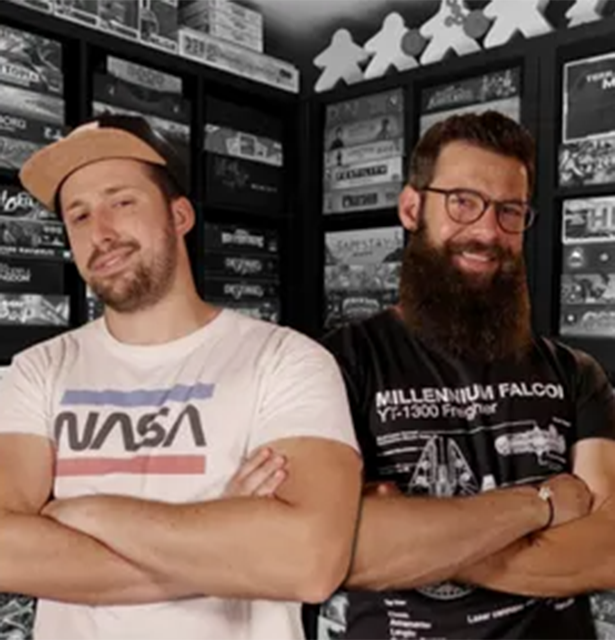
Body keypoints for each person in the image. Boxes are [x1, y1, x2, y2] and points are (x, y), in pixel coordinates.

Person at [0, 113, 363, 640]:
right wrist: (224, 544)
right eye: (79, 216)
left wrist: (83, 513)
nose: (101, 233)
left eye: (122, 202)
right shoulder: (37, 370)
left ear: (180, 215)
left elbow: (309, 561)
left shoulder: (285, 360)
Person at [303, 110, 615, 639]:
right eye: (463, 202)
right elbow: (321, 549)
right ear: (411, 207)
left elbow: (606, 553)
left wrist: (417, 542)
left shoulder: (575, 374)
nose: (488, 231)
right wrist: (540, 507)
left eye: (510, 211)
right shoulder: (335, 364)